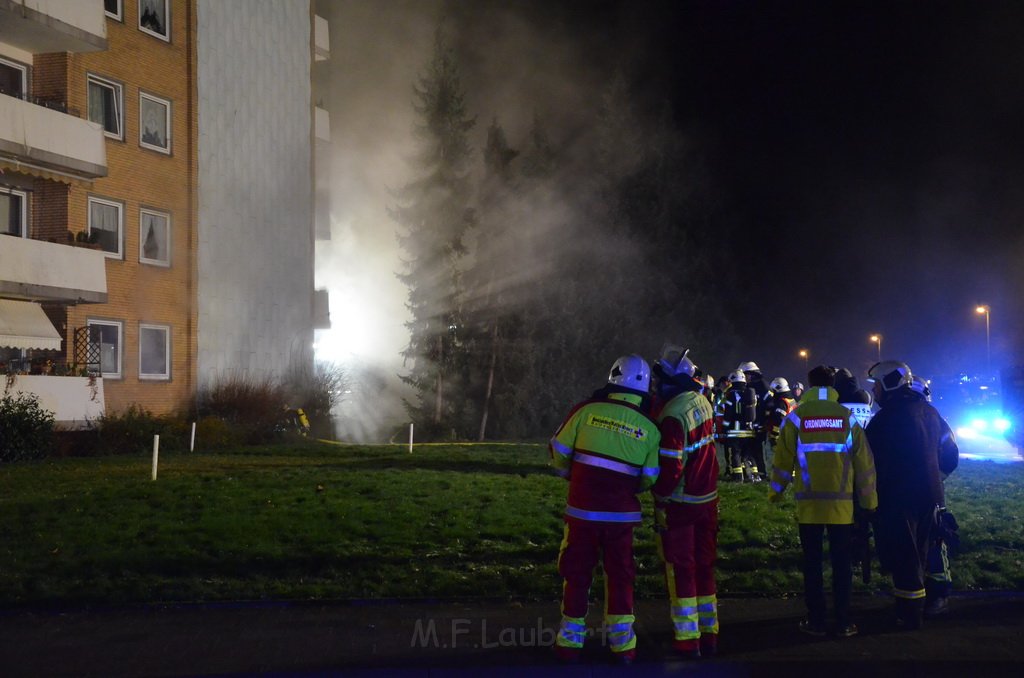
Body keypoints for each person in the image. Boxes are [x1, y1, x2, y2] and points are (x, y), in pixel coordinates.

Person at [549, 355, 662, 664]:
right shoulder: (650, 428)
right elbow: (650, 477)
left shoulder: (586, 411)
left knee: (577, 573)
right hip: (621, 517)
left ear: (611, 378)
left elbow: (558, 450)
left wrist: (567, 473)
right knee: (621, 576)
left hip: (582, 512)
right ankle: (623, 646)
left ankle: (569, 644)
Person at [769, 365, 878, 637]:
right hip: (842, 508)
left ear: (808, 384)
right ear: (832, 386)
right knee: (842, 566)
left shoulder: (797, 418)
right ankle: (843, 622)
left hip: (809, 507)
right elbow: (865, 465)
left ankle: (816, 620)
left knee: (812, 565)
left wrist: (776, 491)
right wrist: (869, 501)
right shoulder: (847, 418)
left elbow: (782, 460)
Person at [865, 360, 952, 630]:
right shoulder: (931, 412)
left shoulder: (885, 419)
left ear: (890, 383)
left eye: (877, 386)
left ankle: (909, 615)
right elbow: (950, 455)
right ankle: (921, 605)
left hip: (896, 499)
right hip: (930, 496)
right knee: (923, 552)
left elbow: (870, 463)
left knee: (904, 557)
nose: (875, 392)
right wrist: (936, 478)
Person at [650, 346, 720, 658]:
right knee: (704, 565)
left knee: (680, 570)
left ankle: (686, 639)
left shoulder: (673, 414)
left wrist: (659, 497)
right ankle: (710, 632)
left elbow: (670, 466)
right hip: (708, 498)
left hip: (680, 503)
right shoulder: (701, 401)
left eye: (661, 377)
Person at [909, 374, 960, 617]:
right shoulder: (912, 417)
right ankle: (921, 592)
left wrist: (934, 479)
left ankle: (939, 592)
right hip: (912, 491)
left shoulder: (933, 419)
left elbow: (950, 456)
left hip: (929, 493)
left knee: (934, 541)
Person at [721, 369, 757, 482]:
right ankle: (753, 476)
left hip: (735, 430)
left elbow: (728, 414)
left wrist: (724, 426)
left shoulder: (731, 395)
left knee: (736, 453)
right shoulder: (750, 393)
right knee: (748, 454)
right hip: (749, 429)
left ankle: (738, 477)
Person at [739, 361, 770, 480]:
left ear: (751, 374)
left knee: (757, 450)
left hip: (760, 425)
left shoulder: (763, 385)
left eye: (745, 375)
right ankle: (752, 474)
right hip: (751, 424)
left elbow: (769, 404)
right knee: (749, 450)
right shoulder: (749, 386)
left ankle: (761, 473)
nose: (744, 378)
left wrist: (763, 421)